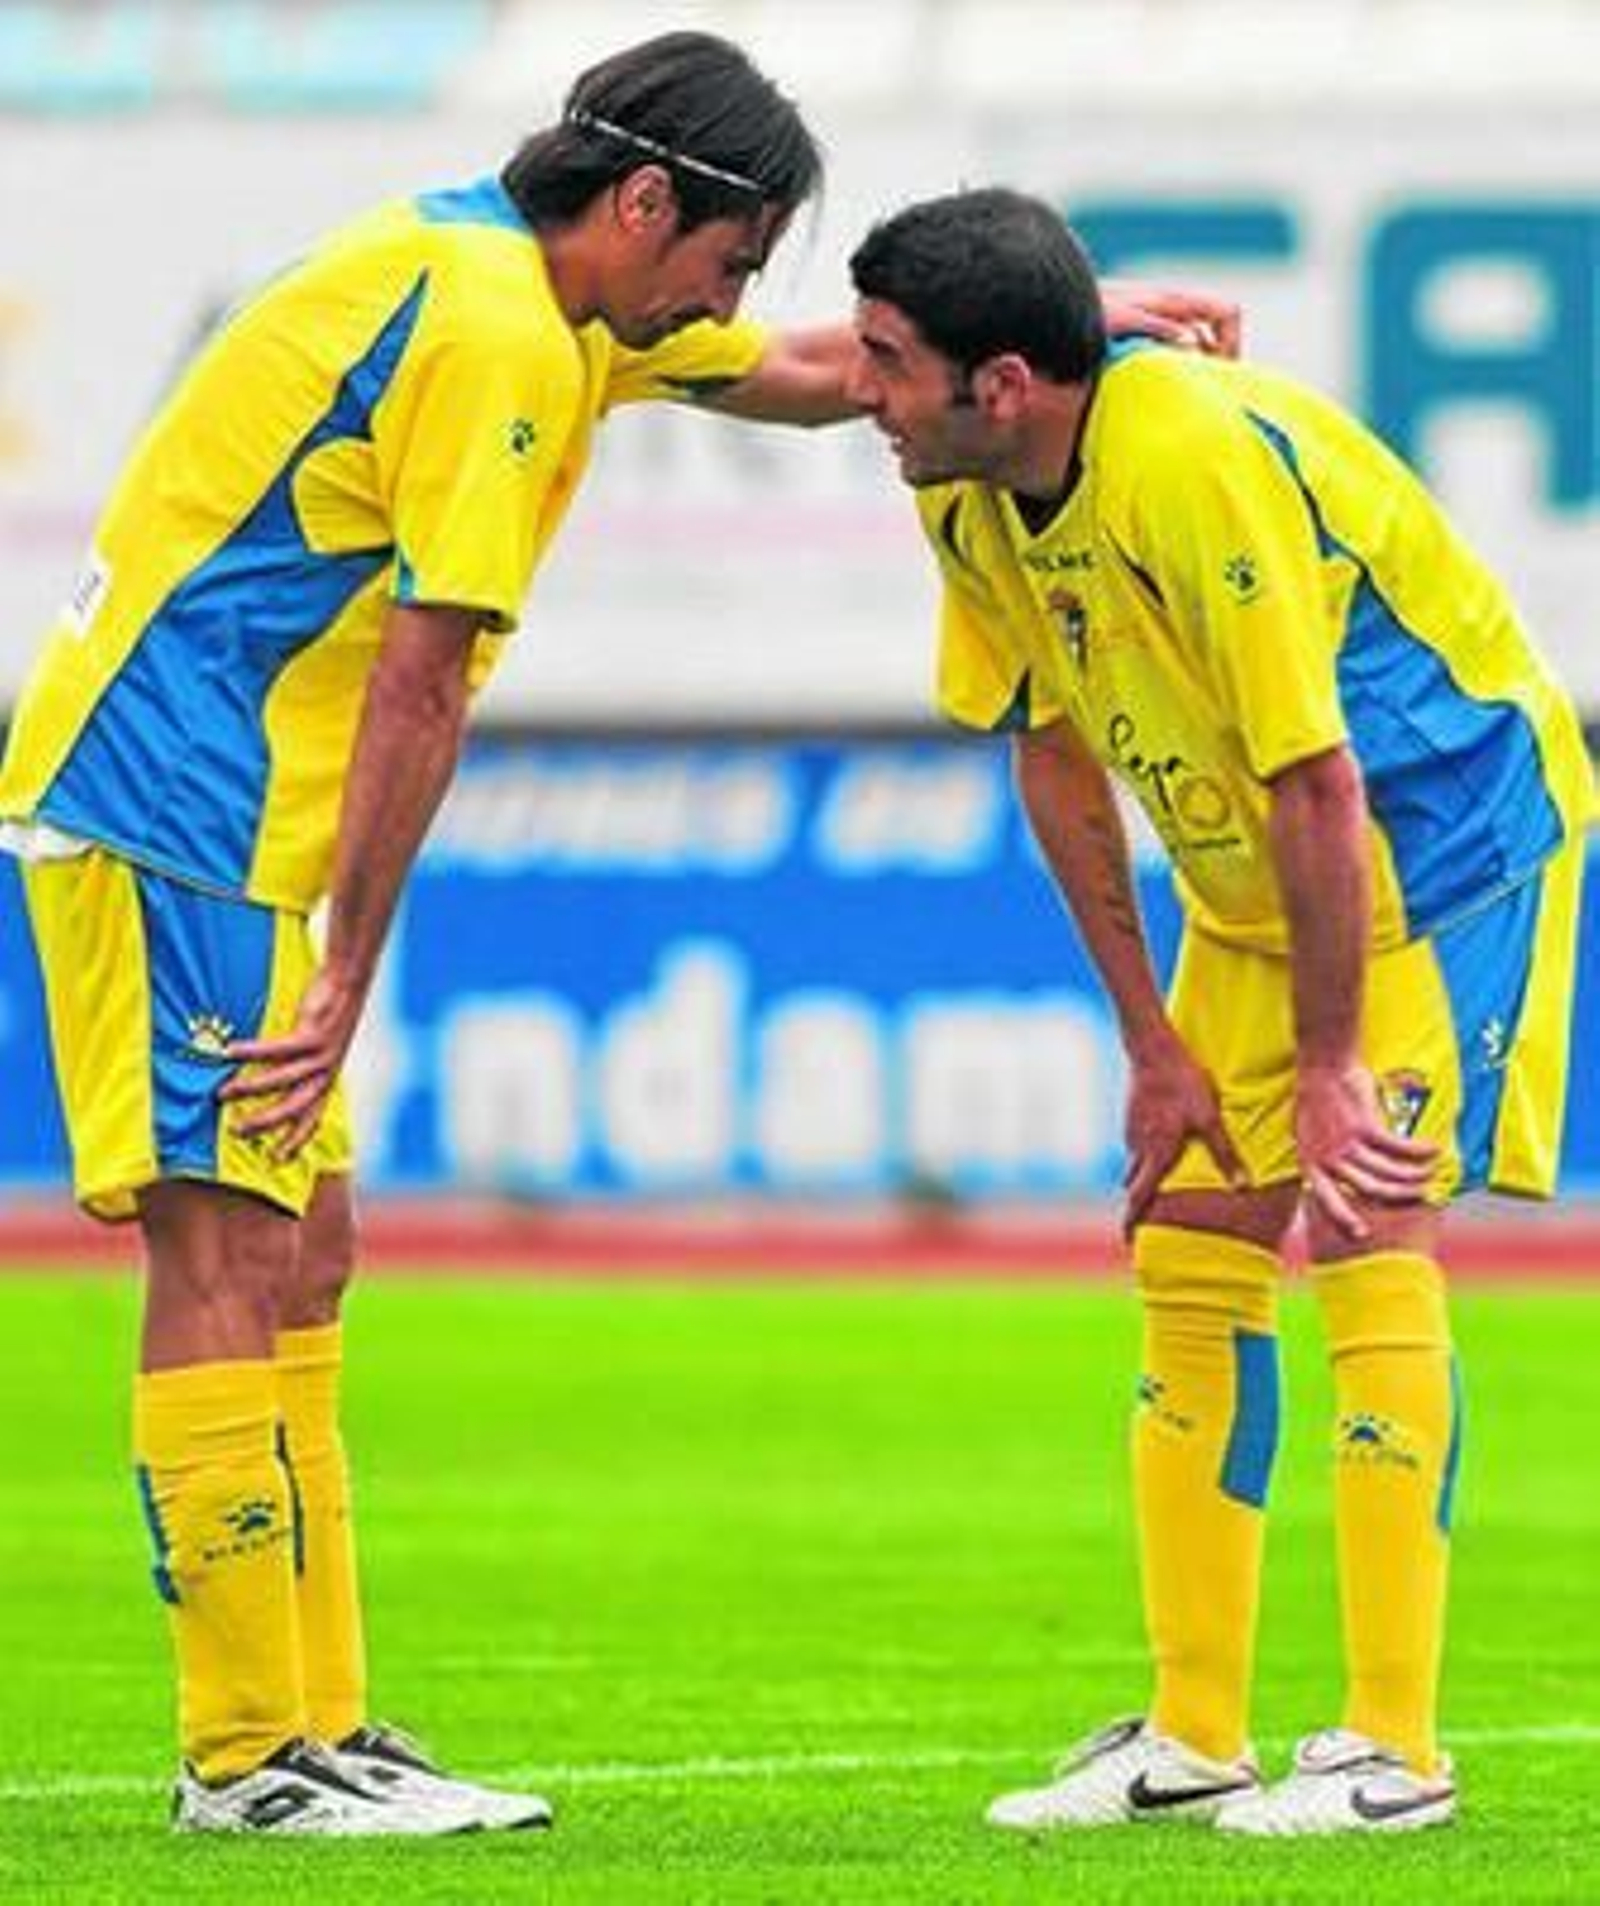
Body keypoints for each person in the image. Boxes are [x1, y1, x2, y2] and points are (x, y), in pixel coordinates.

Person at [0, 36, 1237, 1838]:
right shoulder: (503, 333)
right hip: (178, 800)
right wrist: (350, 970)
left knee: (306, 1246)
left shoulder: (506, 278)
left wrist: (1072, 315)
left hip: (217, 802)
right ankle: (245, 1756)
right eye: (726, 265)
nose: (729, 305)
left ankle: (319, 1719)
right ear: (647, 205)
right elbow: (424, 679)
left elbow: (816, 375)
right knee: (219, 1249)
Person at [845, 186, 1591, 1837]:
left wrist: (1329, 1071)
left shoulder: (1183, 458)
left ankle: (1396, 1749)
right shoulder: (964, 489)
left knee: (1361, 1227)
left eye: (891, 364)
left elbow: (1318, 775)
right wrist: (1151, 1045)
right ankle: (1193, 1735)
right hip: (1258, 881)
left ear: (1010, 384)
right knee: (1187, 1242)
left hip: (1434, 847)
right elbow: (1049, 747)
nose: (863, 391)